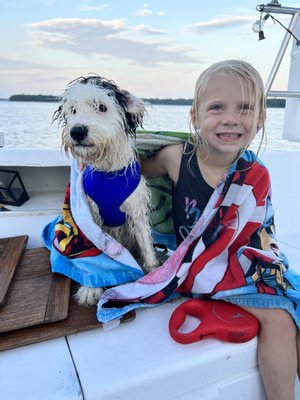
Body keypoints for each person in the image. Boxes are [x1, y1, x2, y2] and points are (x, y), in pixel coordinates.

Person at [141, 60, 300, 400]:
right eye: (217, 107)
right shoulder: (175, 157)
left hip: (240, 262)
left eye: (244, 108)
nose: (230, 118)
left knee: (293, 310)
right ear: (195, 117)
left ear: (259, 120)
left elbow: (257, 236)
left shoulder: (256, 173)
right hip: (193, 267)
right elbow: (134, 172)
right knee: (281, 318)